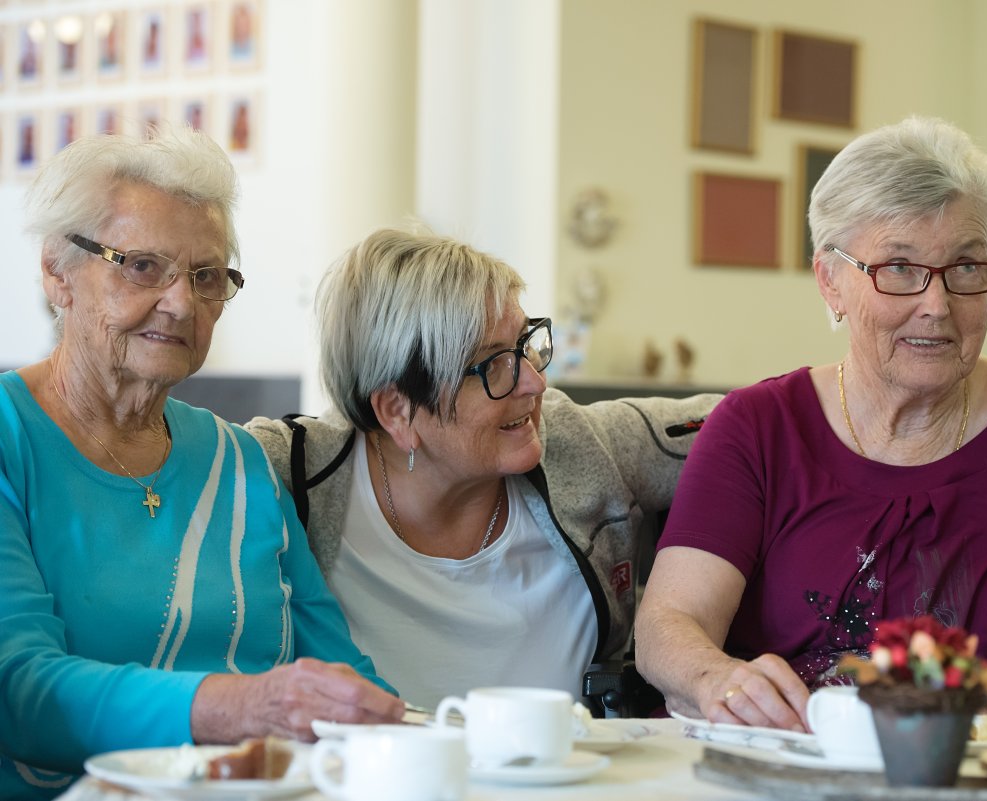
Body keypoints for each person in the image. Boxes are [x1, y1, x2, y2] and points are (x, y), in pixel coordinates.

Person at [635, 116, 987, 732]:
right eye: (899, 268)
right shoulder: (759, 428)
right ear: (831, 281)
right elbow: (668, 628)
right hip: (796, 769)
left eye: (965, 267)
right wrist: (719, 680)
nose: (937, 305)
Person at [0, 127, 406, 801]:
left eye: (206, 276)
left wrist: (423, 739)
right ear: (55, 271)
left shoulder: (240, 460)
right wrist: (240, 706)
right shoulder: (12, 438)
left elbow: (339, 669)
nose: (181, 302)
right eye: (140, 265)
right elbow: (19, 687)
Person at [246, 227, 721, 710]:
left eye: (524, 345)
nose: (534, 383)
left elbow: (745, 428)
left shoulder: (578, 443)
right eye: (492, 364)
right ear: (397, 410)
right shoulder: (287, 473)